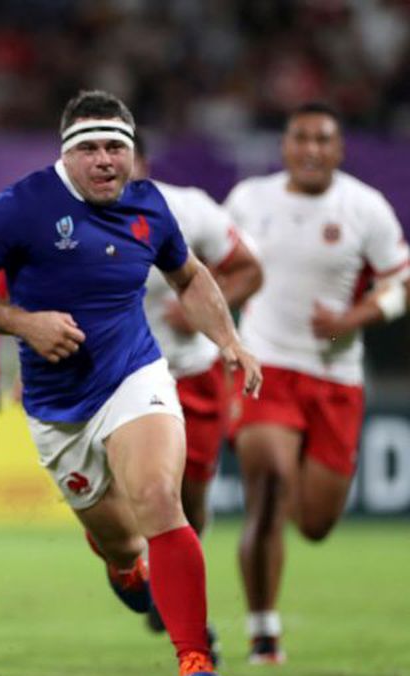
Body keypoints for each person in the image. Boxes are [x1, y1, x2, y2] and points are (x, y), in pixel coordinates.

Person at [0, 89, 262, 676]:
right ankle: (127, 569)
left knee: (162, 499)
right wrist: (24, 324)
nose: (105, 160)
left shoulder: (150, 205)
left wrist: (228, 340)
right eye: (90, 148)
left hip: (135, 375)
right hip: (60, 407)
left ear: (134, 156)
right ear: (67, 155)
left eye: (117, 148)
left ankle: (195, 660)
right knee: (121, 544)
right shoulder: (22, 206)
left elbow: (188, 275)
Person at [225, 103, 409, 665]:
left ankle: (271, 582)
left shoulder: (364, 207)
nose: (310, 148)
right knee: (270, 485)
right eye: (300, 137)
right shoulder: (249, 200)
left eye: (322, 139)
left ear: (339, 148)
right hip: (267, 366)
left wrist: (351, 322)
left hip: (335, 377)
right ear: (284, 146)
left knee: (317, 523)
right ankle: (263, 630)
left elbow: (402, 281)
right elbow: (212, 266)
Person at [133, 134, 264, 637]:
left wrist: (206, 311)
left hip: (193, 371)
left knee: (191, 495)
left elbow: (249, 270)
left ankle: (169, 572)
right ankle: (168, 588)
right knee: (149, 489)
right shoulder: (71, 220)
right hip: (123, 377)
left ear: (139, 159)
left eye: (119, 151)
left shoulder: (188, 208)